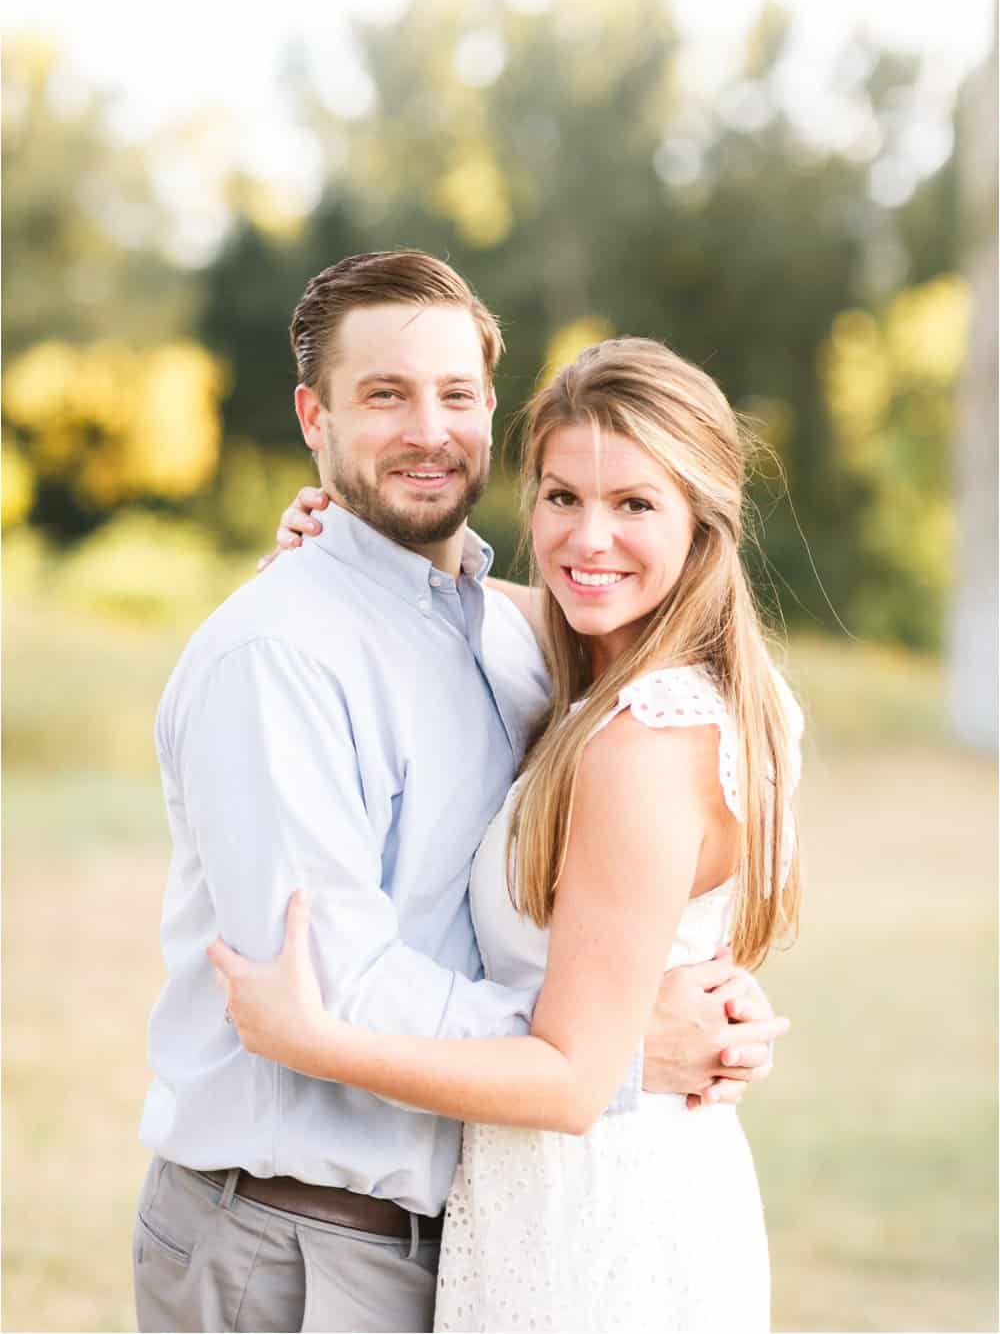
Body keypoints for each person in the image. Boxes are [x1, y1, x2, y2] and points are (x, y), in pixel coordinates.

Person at [134, 251, 787, 1334]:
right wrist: (619, 1048)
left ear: (490, 406)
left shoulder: (522, 641)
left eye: (453, 393)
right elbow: (325, 983)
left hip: (486, 1228)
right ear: (315, 416)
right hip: (297, 1241)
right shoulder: (278, 655)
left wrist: (671, 996)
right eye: (383, 393)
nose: (426, 429)